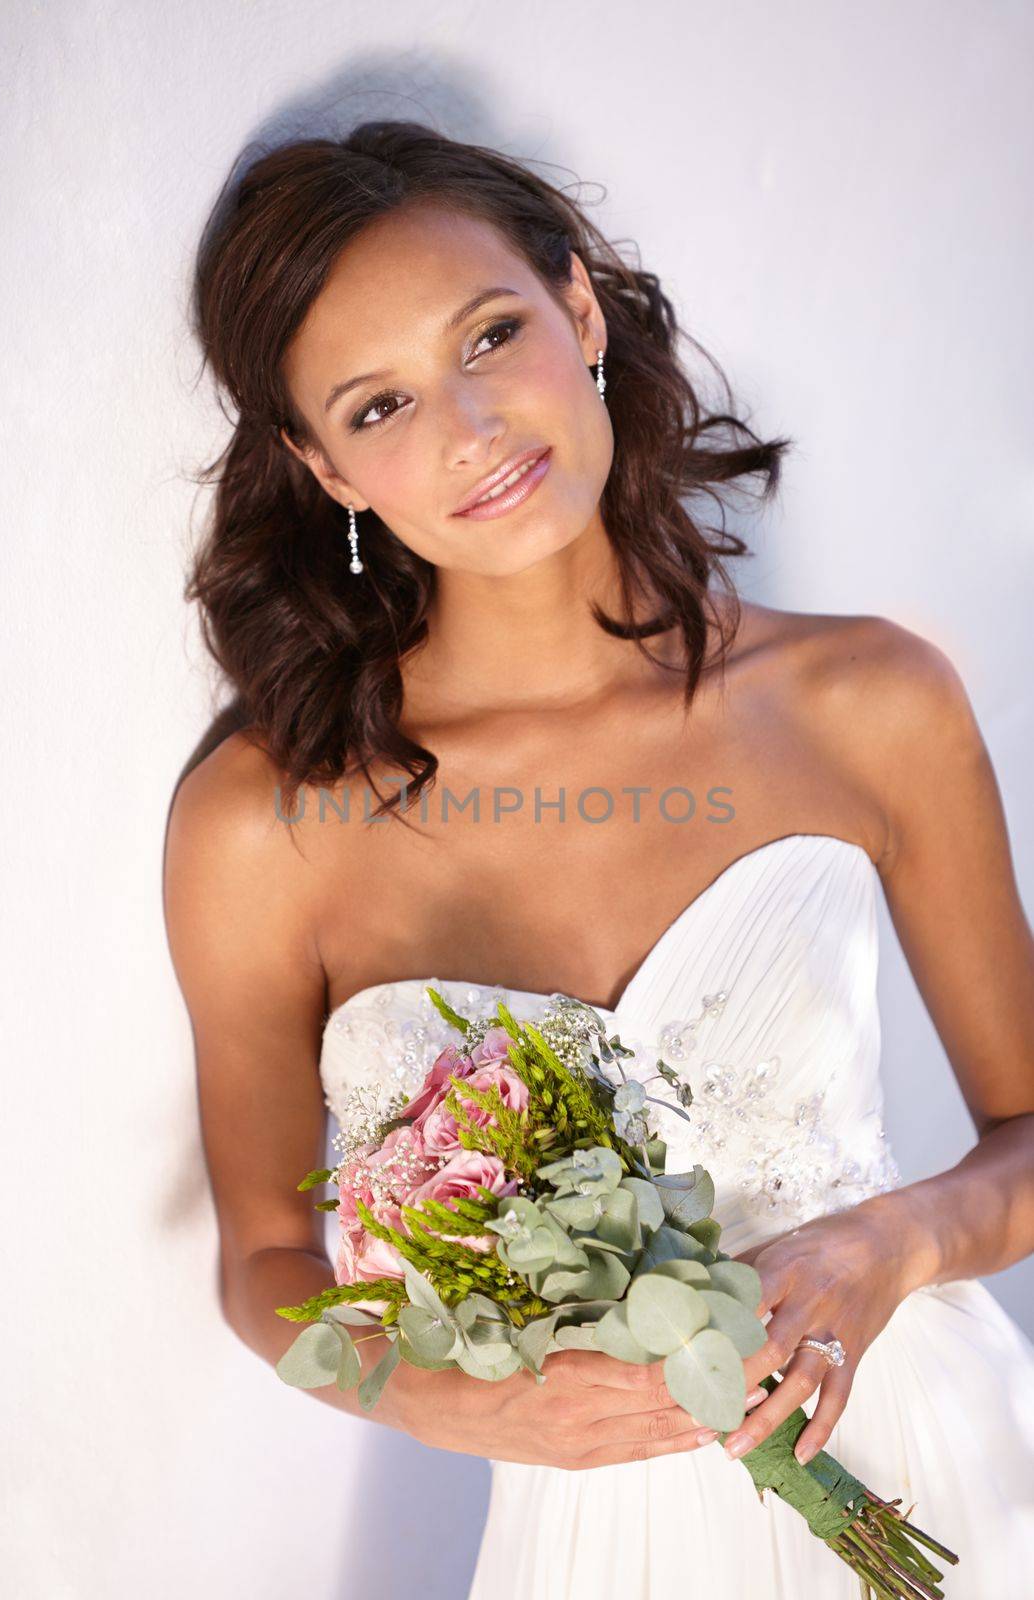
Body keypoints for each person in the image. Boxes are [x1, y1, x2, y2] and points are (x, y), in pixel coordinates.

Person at [163, 120, 1034, 1597]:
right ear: (322, 467)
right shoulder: (265, 821)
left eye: (490, 334)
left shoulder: (870, 701)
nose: (468, 428)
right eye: (378, 407)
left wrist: (893, 1244)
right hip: (588, 1527)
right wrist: (464, 1403)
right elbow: (264, 1260)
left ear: (578, 315)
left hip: (936, 1471)